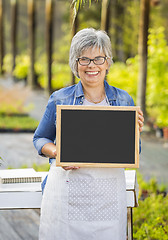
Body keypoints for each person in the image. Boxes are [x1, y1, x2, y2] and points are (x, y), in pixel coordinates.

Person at [33, 28, 144, 240]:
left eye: (98, 58)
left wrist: (134, 132)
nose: (91, 65)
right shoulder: (60, 99)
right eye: (84, 59)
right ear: (75, 64)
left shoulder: (123, 100)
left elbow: (134, 152)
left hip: (108, 197)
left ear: (108, 62)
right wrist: (58, 152)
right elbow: (40, 139)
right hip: (66, 192)